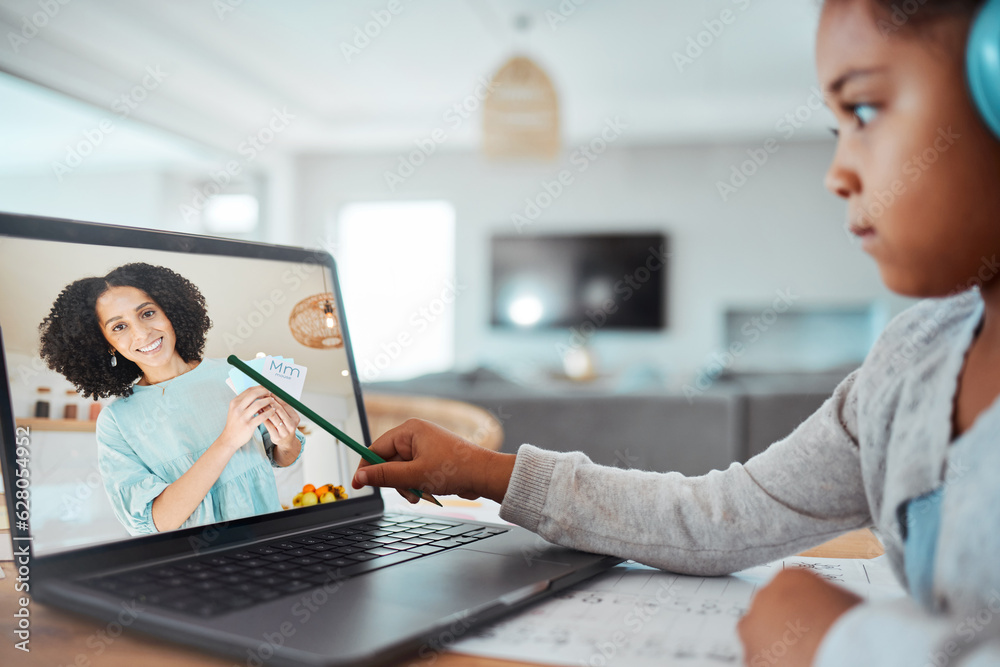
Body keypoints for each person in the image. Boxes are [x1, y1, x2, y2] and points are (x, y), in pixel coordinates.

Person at [351, 0, 1000, 664]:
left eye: (862, 111)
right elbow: (720, 516)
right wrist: (483, 470)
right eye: (835, 132)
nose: (836, 175)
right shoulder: (904, 366)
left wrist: (839, 644)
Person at [38, 262, 305, 535]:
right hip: (198, 567)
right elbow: (156, 522)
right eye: (119, 327)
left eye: (148, 313)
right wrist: (227, 441)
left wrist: (286, 440)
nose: (142, 333)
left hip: (270, 544)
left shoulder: (235, 373)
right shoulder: (116, 421)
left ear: (170, 311)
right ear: (106, 343)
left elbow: (282, 456)